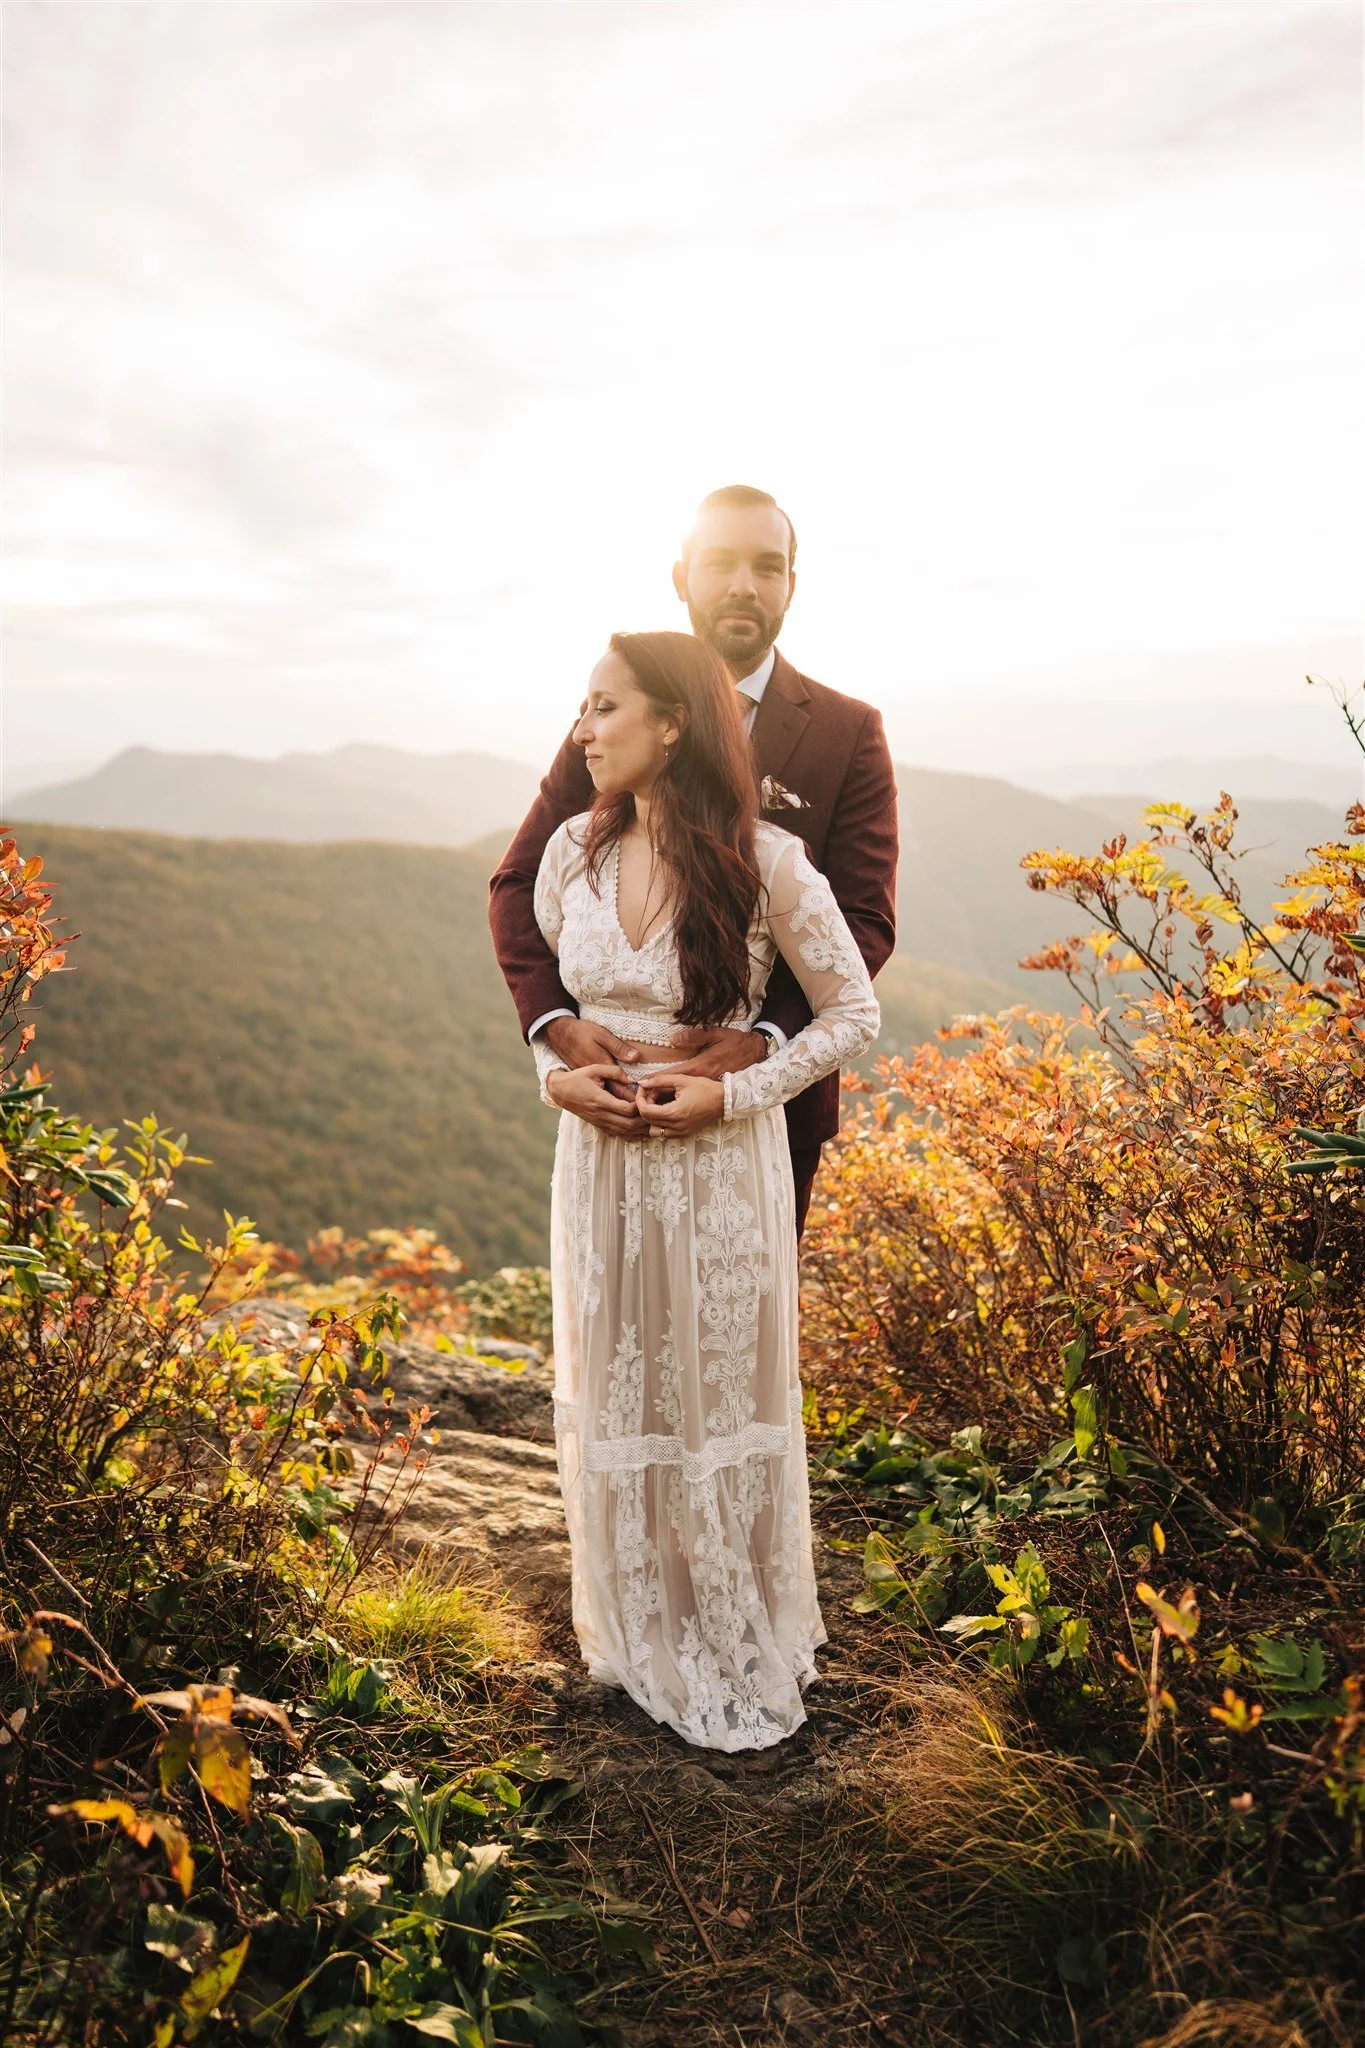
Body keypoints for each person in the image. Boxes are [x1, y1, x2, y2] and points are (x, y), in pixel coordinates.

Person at [522, 629, 879, 1749]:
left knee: (709, 1396)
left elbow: (852, 1015)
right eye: (583, 708)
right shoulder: (567, 856)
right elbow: (562, 1008)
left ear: (672, 723)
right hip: (602, 1169)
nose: (583, 728)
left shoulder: (771, 860)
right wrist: (557, 1079)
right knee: (625, 1391)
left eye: (604, 707)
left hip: (719, 1167)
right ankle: (636, 1625)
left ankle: (724, 1620)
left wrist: (732, 1096)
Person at [489, 484, 898, 1236]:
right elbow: (522, 881)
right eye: (721, 563)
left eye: (767, 567)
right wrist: (554, 1025)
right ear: (682, 578)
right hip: (606, 1101)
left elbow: (863, 917)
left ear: (790, 586)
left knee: (736, 1332)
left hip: (764, 1111)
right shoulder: (613, 717)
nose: (744, 584)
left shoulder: (846, 731)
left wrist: (762, 1042)